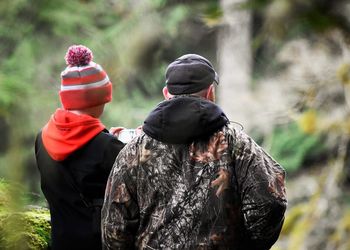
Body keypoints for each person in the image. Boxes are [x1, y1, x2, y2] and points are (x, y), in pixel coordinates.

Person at [101, 54, 287, 250]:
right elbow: (271, 202)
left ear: (166, 93)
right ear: (210, 93)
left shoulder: (134, 151)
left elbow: (114, 228)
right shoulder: (237, 144)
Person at [35, 45, 125, 250]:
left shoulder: (42, 137)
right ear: (99, 99)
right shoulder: (107, 147)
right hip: (97, 244)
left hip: (60, 242)